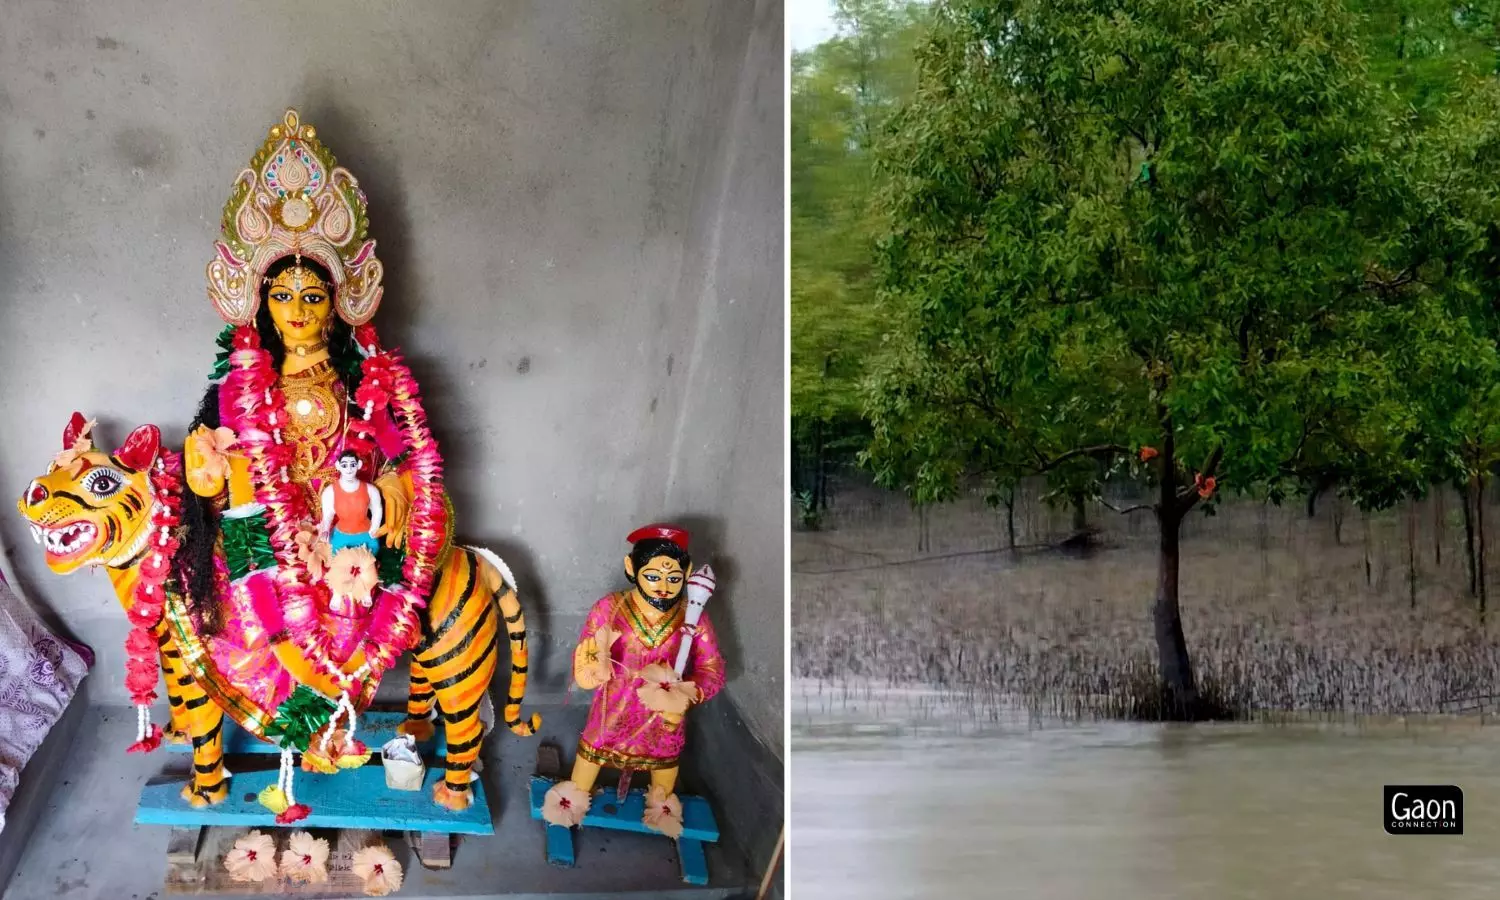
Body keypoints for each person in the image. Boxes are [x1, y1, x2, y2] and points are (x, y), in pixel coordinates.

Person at [319, 450, 383, 555]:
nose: (349, 469)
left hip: (367, 536)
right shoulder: (329, 492)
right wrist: (325, 530)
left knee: (370, 559)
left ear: (359, 465)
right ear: (338, 466)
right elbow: (327, 516)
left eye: (352, 465)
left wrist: (374, 528)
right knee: (338, 559)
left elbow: (377, 509)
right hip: (341, 536)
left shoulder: (371, 489)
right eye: (344, 465)